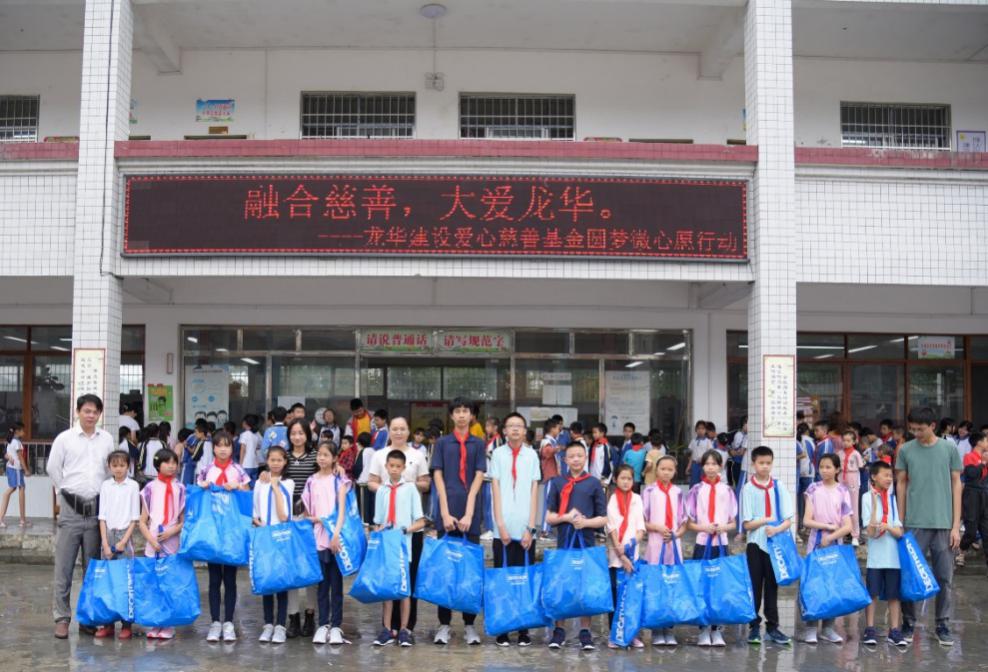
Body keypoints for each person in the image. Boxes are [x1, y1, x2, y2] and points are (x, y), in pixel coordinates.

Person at [48, 394, 115, 639]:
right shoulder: (64, 439)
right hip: (70, 510)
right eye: (86, 411)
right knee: (63, 567)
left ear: (99, 414)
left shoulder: (106, 439)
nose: (90, 415)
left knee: (92, 568)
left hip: (96, 512)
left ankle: (87, 618)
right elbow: (53, 468)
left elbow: (110, 471)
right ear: (78, 412)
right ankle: (62, 618)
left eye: (95, 412)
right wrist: (64, 492)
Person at [895, 407, 962, 646]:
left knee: (944, 577)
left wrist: (956, 525)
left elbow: (957, 485)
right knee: (909, 576)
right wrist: (900, 522)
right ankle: (908, 622)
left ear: (932, 426)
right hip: (914, 523)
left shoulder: (949, 449)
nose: (916, 433)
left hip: (943, 523)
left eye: (920, 429)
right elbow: (900, 485)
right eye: (912, 429)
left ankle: (942, 624)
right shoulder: (905, 450)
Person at [367, 417, 431, 636]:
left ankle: (406, 627)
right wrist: (387, 490)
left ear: (408, 430)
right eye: (394, 428)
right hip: (388, 526)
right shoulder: (378, 455)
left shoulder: (417, 455)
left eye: (403, 428)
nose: (398, 432)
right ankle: (388, 626)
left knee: (409, 575)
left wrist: (406, 487)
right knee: (388, 576)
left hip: (410, 525)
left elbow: (426, 482)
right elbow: (371, 481)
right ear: (389, 431)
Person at [431, 397, 487, 645]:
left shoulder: (478, 443)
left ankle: (469, 626)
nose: (462, 415)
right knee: (446, 571)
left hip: (469, 515)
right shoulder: (442, 443)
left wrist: (469, 513)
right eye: (458, 411)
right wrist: (444, 512)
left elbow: (477, 479)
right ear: (452, 415)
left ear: (472, 415)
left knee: (468, 571)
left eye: (466, 411)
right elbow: (438, 478)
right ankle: (443, 624)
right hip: (447, 512)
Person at [545, 442, 607, 651]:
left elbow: (603, 518)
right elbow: (549, 517)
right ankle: (559, 630)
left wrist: (585, 522)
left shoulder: (593, 483)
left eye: (580, 455)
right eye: (572, 456)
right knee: (563, 584)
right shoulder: (557, 482)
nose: (576, 459)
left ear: (586, 458)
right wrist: (567, 518)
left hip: (587, 542)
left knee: (585, 586)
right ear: (565, 460)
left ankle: (585, 631)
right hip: (564, 541)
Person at [489, 412, 541, 647]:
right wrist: (500, 525)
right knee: (503, 578)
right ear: (504, 431)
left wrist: (531, 527)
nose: (515, 430)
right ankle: (503, 627)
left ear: (525, 430)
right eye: (511, 426)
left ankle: (523, 628)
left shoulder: (532, 456)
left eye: (519, 426)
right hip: (503, 529)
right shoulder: (497, 455)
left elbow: (534, 491)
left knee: (524, 578)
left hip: (525, 528)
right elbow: (495, 490)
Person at [198, 430, 251, 643]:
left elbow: (247, 494)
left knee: (230, 579)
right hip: (212, 531)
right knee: (213, 580)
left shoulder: (238, 469)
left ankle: (228, 621)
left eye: (227, 445)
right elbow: (198, 495)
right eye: (219, 445)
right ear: (214, 448)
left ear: (232, 448)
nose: (222, 449)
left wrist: (237, 486)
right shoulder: (206, 470)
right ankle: (214, 622)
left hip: (232, 532)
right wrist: (203, 487)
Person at [740, 446, 793, 646]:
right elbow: (746, 524)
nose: (765, 466)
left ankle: (773, 627)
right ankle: (754, 626)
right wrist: (765, 521)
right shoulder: (748, 488)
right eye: (761, 463)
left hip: (775, 545)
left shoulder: (779, 487)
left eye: (768, 463)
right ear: (753, 464)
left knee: (772, 586)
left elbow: (788, 519)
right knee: (755, 586)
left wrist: (777, 529)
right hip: (755, 544)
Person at [686, 450, 738, 647]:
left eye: (714, 464)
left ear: (720, 467)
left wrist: (723, 527)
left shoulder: (727, 490)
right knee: (702, 585)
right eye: (706, 464)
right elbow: (689, 523)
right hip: (702, 542)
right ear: (702, 466)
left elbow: (733, 523)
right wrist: (704, 527)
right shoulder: (696, 490)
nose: (710, 467)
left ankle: (717, 630)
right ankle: (703, 629)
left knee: (720, 585)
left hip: (722, 544)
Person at [801, 453, 853, 644]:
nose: (824, 470)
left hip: (835, 546)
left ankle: (828, 628)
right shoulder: (813, 488)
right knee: (813, 585)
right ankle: (811, 628)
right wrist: (827, 527)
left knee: (832, 586)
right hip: (814, 545)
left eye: (829, 467)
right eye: (821, 467)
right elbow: (807, 520)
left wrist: (831, 536)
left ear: (837, 469)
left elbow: (847, 525)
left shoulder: (843, 491)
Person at [301, 441, 350, 645]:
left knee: (336, 585)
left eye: (326, 455)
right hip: (318, 538)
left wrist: (336, 534)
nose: (322, 458)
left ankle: (336, 625)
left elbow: (341, 511)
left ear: (334, 458)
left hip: (335, 538)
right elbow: (306, 508)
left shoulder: (339, 481)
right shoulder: (311, 480)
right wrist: (311, 518)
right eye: (319, 455)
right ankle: (322, 624)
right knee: (322, 585)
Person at [138, 447, 185, 640]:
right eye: (167, 462)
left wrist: (171, 532)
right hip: (153, 544)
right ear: (158, 464)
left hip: (172, 542)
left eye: (174, 462)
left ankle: (169, 623)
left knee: (170, 583)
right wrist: (151, 540)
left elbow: (183, 520)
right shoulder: (149, 488)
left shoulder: (181, 488)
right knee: (154, 584)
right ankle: (156, 622)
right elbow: (142, 520)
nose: (171, 466)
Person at [94, 449, 140, 639]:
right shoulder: (106, 485)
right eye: (115, 465)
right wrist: (105, 542)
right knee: (108, 582)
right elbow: (102, 516)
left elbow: (134, 518)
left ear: (128, 466)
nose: (119, 469)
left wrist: (123, 541)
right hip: (108, 535)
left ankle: (126, 624)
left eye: (122, 465)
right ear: (109, 467)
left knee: (125, 582)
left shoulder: (133, 485)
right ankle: (108, 624)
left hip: (124, 536)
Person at [861, 460, 907, 647]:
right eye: (886, 475)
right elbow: (871, 532)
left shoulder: (893, 499)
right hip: (875, 558)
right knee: (872, 594)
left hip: (893, 557)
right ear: (874, 476)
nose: (890, 479)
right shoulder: (866, 498)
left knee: (894, 596)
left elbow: (899, 532)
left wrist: (888, 526)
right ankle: (870, 629)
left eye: (891, 476)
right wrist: (874, 502)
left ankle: (894, 630)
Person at [642, 455, 687, 646]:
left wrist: (676, 534)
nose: (666, 472)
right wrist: (658, 528)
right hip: (655, 543)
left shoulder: (678, 492)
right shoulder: (649, 491)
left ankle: (669, 628)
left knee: (672, 584)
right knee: (656, 584)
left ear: (675, 472)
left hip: (673, 545)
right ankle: (656, 628)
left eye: (670, 469)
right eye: (662, 469)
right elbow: (642, 520)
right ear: (656, 470)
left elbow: (684, 522)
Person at [253, 445, 294, 644]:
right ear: (267, 461)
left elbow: (284, 515)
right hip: (264, 536)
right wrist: (260, 524)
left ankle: (280, 625)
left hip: (282, 538)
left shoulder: (289, 483)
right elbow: (254, 511)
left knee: (281, 583)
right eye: (272, 459)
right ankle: (268, 624)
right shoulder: (259, 482)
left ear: (285, 462)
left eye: (279, 460)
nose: (275, 463)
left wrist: (276, 487)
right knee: (267, 581)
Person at [283, 418, 320, 638]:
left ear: (308, 435)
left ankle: (310, 615)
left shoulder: (316, 457)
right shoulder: (284, 457)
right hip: (287, 518)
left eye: (301, 433)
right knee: (291, 570)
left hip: (310, 519)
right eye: (293, 433)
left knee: (311, 570)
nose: (297, 437)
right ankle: (293, 618)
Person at [606, 464, 646, 649]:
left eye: (629, 478)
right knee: (615, 595)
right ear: (615, 479)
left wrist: (630, 547)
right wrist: (622, 555)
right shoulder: (612, 500)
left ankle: (632, 634)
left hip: (633, 554)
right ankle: (614, 634)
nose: (625, 481)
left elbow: (640, 528)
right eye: (622, 478)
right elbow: (612, 528)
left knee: (632, 596)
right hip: (616, 556)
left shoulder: (637, 499)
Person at [958, 431, 988, 568]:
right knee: (970, 530)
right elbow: (971, 474)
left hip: (984, 494)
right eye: (986, 440)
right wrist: (983, 463)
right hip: (972, 495)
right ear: (979, 442)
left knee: (986, 530)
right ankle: (960, 551)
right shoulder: (969, 456)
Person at [839, 429, 865, 546]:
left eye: (848, 440)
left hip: (852, 477)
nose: (846, 443)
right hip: (840, 478)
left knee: (853, 507)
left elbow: (861, 466)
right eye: (844, 440)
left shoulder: (856, 454)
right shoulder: (839, 453)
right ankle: (842, 533)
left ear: (854, 441)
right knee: (840, 506)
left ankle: (855, 535)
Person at [1, 422, 30, 528]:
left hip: (12, 469)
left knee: (17, 489)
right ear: (17, 431)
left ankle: (22, 520)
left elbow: (6, 454)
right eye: (23, 430)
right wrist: (26, 470)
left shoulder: (11, 441)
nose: (24, 432)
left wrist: (9, 457)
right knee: (16, 489)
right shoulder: (16, 442)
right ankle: (21, 521)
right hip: (15, 469)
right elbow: (20, 458)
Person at [539, 418, 562, 534]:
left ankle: (547, 528)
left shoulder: (552, 441)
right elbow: (546, 452)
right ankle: (544, 530)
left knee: (551, 503)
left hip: (554, 476)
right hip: (550, 476)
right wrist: (555, 450)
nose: (559, 430)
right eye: (558, 428)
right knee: (548, 503)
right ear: (552, 429)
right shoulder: (547, 442)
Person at [353, 431, 376, 525]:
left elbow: (358, 467)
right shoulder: (374, 451)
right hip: (372, 482)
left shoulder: (362, 452)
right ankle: (371, 523)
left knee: (363, 506)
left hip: (363, 483)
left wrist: (355, 476)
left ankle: (364, 523)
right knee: (371, 504)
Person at [796, 423, 815, 530]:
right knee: (809, 499)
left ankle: (800, 524)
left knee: (799, 500)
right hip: (808, 472)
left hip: (799, 472)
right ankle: (808, 525)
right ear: (807, 430)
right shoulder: (809, 440)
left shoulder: (797, 440)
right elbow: (813, 455)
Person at [685, 421, 712, 488]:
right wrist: (688, 466)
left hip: (704, 465)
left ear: (705, 430)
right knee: (694, 483)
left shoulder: (708, 441)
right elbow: (691, 455)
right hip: (695, 465)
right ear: (696, 430)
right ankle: (693, 497)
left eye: (703, 429)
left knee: (703, 483)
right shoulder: (693, 441)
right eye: (699, 428)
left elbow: (710, 454)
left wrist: (704, 459)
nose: (700, 430)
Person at [239, 414, 262, 485]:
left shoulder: (244, 434)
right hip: (254, 465)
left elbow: (243, 450)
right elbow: (256, 450)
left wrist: (240, 464)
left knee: (245, 485)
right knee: (253, 485)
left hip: (246, 464)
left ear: (246, 423)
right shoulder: (255, 436)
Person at [729, 417, 748, 488]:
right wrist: (735, 452)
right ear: (743, 424)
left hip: (742, 463)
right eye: (747, 423)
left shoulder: (747, 435)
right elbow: (735, 447)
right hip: (738, 462)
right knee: (738, 484)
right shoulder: (738, 434)